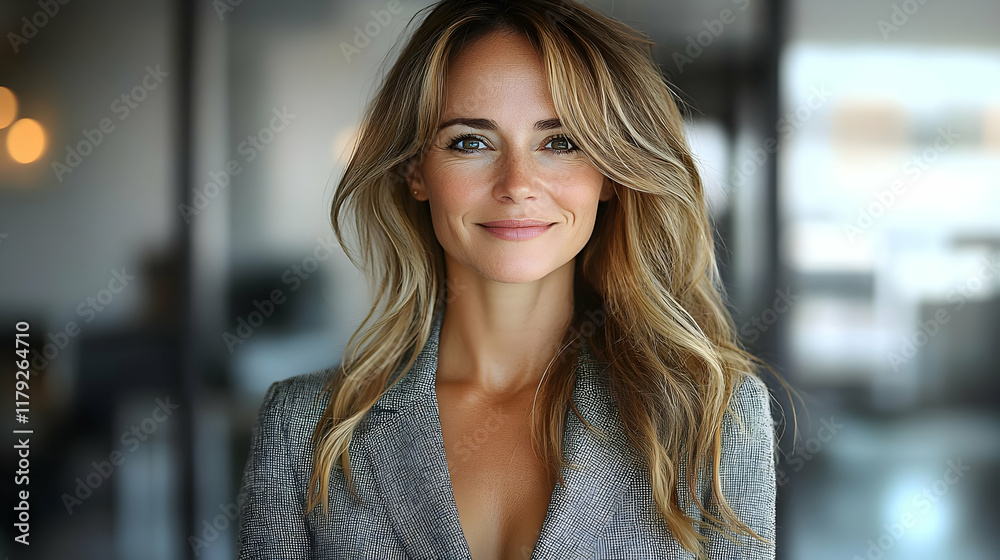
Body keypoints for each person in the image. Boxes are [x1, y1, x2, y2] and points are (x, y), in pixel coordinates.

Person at [238, 1, 783, 558]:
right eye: (470, 142)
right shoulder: (304, 430)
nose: (517, 184)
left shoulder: (713, 418)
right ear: (415, 170)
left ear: (612, 174)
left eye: (560, 142)